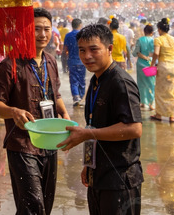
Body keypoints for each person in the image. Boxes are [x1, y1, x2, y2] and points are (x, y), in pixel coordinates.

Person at [0, 8, 70, 215]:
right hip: (22, 144)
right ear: (25, 32)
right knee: (33, 205)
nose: (43, 34)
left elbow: (55, 94)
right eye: (37, 29)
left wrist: (66, 116)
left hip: (49, 141)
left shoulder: (51, 61)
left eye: (47, 29)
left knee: (45, 203)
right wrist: (13, 111)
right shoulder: (11, 64)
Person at [57, 23, 143, 215]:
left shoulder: (120, 82)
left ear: (109, 48)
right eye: (82, 50)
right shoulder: (96, 80)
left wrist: (86, 133)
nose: (87, 56)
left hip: (120, 179)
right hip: (99, 175)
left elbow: (134, 129)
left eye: (94, 49)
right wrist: (88, 165)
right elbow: (92, 125)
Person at [151, 18, 174, 123]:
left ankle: (158, 114)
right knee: (171, 91)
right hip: (173, 67)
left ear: (160, 29)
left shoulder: (158, 39)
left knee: (160, 91)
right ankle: (171, 116)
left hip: (163, 66)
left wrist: (152, 65)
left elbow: (156, 53)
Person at [132, 24, 156, 110]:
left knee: (141, 83)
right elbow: (155, 53)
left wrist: (143, 56)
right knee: (151, 83)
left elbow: (135, 53)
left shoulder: (139, 40)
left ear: (144, 32)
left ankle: (142, 102)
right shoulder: (153, 41)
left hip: (140, 65)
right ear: (152, 32)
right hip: (151, 65)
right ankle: (151, 103)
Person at [63, 18, 86, 106]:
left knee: (73, 80)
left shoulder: (68, 36)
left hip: (72, 62)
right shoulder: (83, 35)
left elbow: (65, 50)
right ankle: (82, 98)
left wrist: (64, 63)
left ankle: (76, 97)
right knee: (82, 80)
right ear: (80, 25)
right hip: (82, 61)